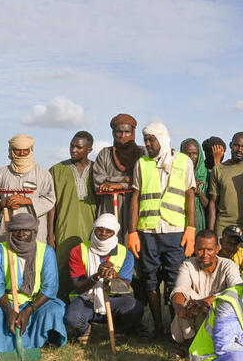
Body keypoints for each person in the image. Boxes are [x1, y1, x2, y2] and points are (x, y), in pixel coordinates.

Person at [128, 122, 197, 337]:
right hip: (147, 231)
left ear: (163, 139)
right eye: (146, 139)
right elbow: (136, 198)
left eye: (152, 140)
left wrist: (191, 228)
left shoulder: (184, 162)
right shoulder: (142, 164)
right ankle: (158, 326)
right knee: (149, 279)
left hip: (175, 231)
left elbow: (190, 195)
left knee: (175, 280)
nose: (148, 144)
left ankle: (175, 327)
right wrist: (132, 231)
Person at [0, 213, 67, 354]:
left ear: (34, 232)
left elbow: (50, 288)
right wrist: (10, 311)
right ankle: (2, 348)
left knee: (54, 310)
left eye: (26, 230)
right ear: (10, 232)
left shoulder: (46, 252)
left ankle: (36, 343)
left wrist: (29, 310)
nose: (21, 233)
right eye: (16, 229)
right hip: (6, 302)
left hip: (36, 302)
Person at [64, 214, 143, 343]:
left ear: (115, 233)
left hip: (114, 301)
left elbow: (125, 288)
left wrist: (114, 276)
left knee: (135, 308)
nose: (103, 233)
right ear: (94, 229)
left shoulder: (125, 254)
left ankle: (119, 330)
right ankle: (84, 328)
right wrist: (96, 276)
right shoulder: (79, 250)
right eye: (99, 229)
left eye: (109, 230)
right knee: (73, 319)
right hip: (86, 300)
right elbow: (78, 287)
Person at [47, 131, 98, 301]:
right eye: (71, 145)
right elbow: (51, 206)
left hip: (91, 230)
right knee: (62, 269)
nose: (73, 150)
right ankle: (61, 308)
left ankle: (87, 312)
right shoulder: (56, 170)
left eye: (79, 147)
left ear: (89, 149)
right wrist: (50, 236)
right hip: (64, 229)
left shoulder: (97, 169)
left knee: (87, 267)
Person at [169, 229, 243, 345]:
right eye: (200, 250)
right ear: (194, 249)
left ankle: (197, 344)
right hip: (192, 320)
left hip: (217, 319)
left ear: (217, 249)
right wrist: (180, 311)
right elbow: (180, 289)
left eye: (209, 250)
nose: (204, 255)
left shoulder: (228, 265)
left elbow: (238, 289)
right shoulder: (188, 265)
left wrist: (208, 301)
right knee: (182, 298)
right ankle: (190, 342)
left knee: (231, 297)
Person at [0, 134, 56, 244]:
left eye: (25, 150)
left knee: (34, 259)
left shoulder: (42, 173)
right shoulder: (1, 174)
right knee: (7, 260)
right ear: (11, 151)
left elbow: (50, 199)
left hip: (34, 231)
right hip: (6, 230)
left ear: (31, 150)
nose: (22, 153)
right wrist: (4, 203)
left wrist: (28, 201)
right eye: (17, 150)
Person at [92, 114, 143, 238]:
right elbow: (99, 182)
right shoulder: (104, 154)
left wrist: (118, 185)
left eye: (127, 132)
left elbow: (144, 180)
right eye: (118, 132)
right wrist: (125, 180)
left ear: (133, 133)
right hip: (110, 205)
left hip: (136, 205)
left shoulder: (143, 154)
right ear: (113, 133)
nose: (122, 136)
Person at [208, 132, 243, 243]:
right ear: (231, 145)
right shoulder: (218, 169)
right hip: (223, 228)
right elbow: (213, 202)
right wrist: (211, 232)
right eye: (236, 145)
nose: (239, 149)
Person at [180, 138, 209, 232]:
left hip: (199, 221)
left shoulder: (205, 175)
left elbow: (209, 205)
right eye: (188, 154)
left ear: (199, 154)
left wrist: (199, 193)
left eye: (195, 153)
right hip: (180, 219)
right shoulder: (175, 173)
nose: (191, 157)